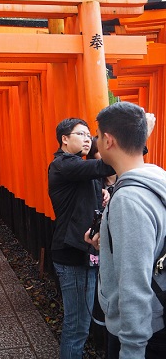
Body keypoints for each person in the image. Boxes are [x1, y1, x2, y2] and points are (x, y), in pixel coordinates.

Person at [85, 102, 166, 359]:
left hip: (142, 335)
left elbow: (134, 284)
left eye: (97, 136)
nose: (95, 142)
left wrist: (132, 349)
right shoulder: (155, 177)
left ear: (108, 140)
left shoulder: (128, 200)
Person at [48, 118, 115, 359]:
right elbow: (104, 167)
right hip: (73, 255)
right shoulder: (63, 164)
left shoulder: (76, 166)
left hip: (83, 251)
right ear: (64, 139)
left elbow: (90, 187)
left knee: (79, 326)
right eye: (81, 134)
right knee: (77, 328)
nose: (88, 139)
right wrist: (136, 139)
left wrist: (102, 193)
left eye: (89, 135)